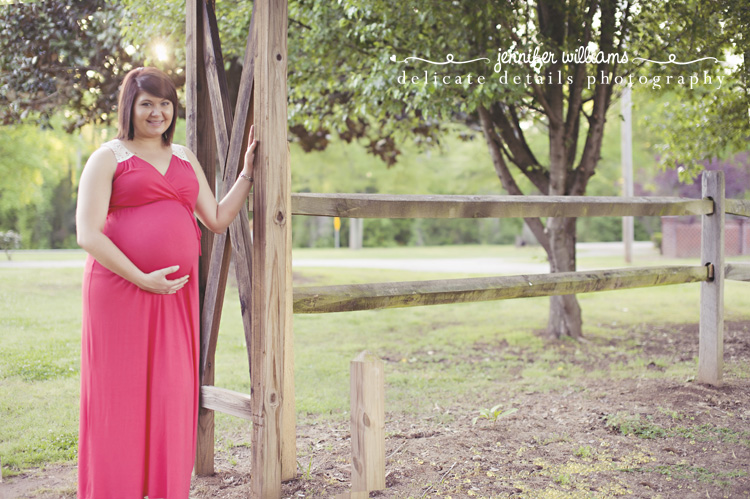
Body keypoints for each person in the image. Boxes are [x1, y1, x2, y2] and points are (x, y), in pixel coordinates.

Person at [75, 66, 257, 499]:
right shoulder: (108, 157)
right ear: (130, 107)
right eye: (147, 104)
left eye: (164, 104)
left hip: (174, 294)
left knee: (170, 393)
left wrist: (247, 174)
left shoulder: (185, 157)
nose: (157, 113)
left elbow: (216, 219)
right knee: (120, 395)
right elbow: (87, 233)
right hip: (120, 291)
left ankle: (164, 490)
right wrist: (142, 278)